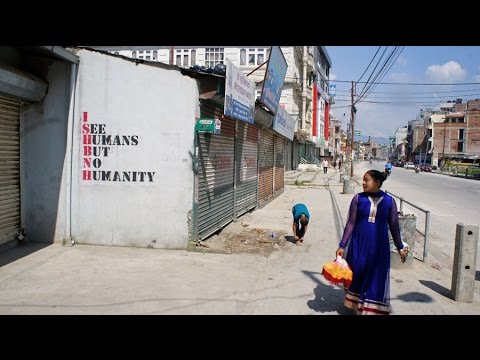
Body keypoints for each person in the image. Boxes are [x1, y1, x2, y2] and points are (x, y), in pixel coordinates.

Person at [335, 170, 407, 315]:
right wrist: (342, 245)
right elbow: (350, 223)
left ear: (377, 183)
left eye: (366, 180)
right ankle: (359, 307)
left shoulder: (389, 202)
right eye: (363, 180)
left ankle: (369, 311)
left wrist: (400, 247)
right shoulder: (358, 199)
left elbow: (394, 226)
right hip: (358, 246)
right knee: (358, 275)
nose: (363, 183)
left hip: (379, 248)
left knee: (376, 278)